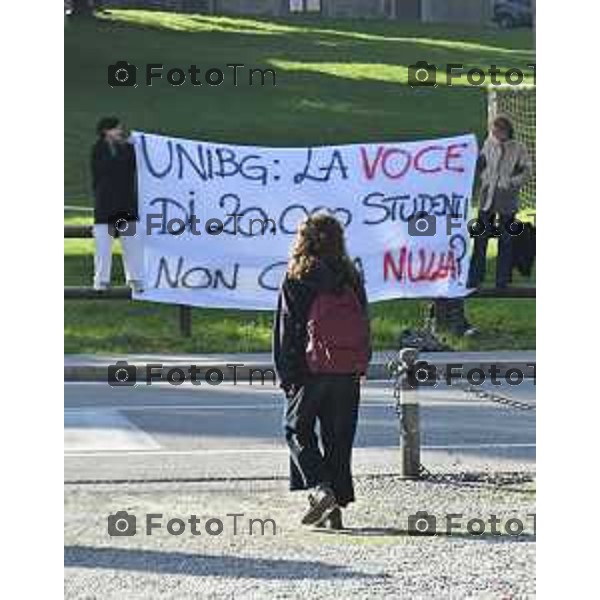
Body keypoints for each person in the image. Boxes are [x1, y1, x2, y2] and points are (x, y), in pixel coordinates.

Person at [273, 214, 371, 529]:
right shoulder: (351, 276)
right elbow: (364, 322)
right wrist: (361, 362)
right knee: (338, 438)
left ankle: (318, 488)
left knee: (296, 430)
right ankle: (334, 507)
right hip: (346, 368)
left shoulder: (297, 276)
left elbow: (287, 329)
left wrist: (286, 373)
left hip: (309, 370)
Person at [468, 115, 532, 289]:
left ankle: (502, 280)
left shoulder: (518, 148)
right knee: (481, 239)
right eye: (494, 131)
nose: (496, 134)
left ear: (507, 131)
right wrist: (482, 176)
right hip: (487, 198)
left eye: (499, 131)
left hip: (507, 200)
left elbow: (527, 171)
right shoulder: (489, 144)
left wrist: (512, 183)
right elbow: (481, 164)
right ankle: (474, 278)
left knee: (506, 240)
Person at [91, 116, 144, 292]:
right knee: (103, 247)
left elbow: (136, 166)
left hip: (125, 208)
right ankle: (101, 281)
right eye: (116, 129)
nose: (120, 132)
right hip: (105, 209)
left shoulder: (128, 150)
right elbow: (105, 169)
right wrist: (127, 147)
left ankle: (135, 279)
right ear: (106, 131)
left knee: (131, 245)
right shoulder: (98, 150)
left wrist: (138, 145)